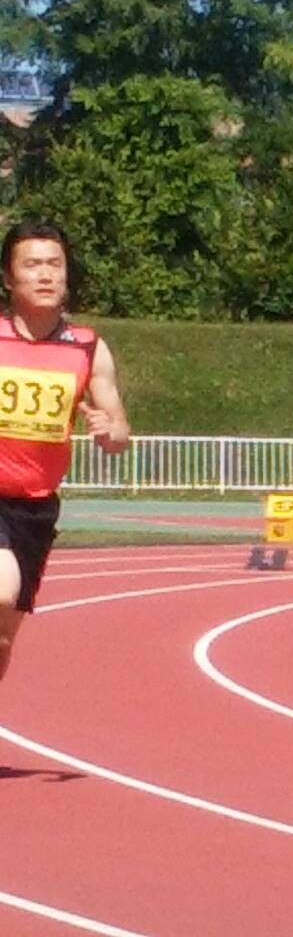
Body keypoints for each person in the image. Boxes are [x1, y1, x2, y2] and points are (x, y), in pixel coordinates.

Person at [0, 221, 131, 690]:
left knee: (4, 639)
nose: (45, 275)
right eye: (32, 265)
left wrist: (109, 431)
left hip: (35, 508)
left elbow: (120, 433)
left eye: (54, 264)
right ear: (8, 278)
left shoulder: (87, 347)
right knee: (1, 590)